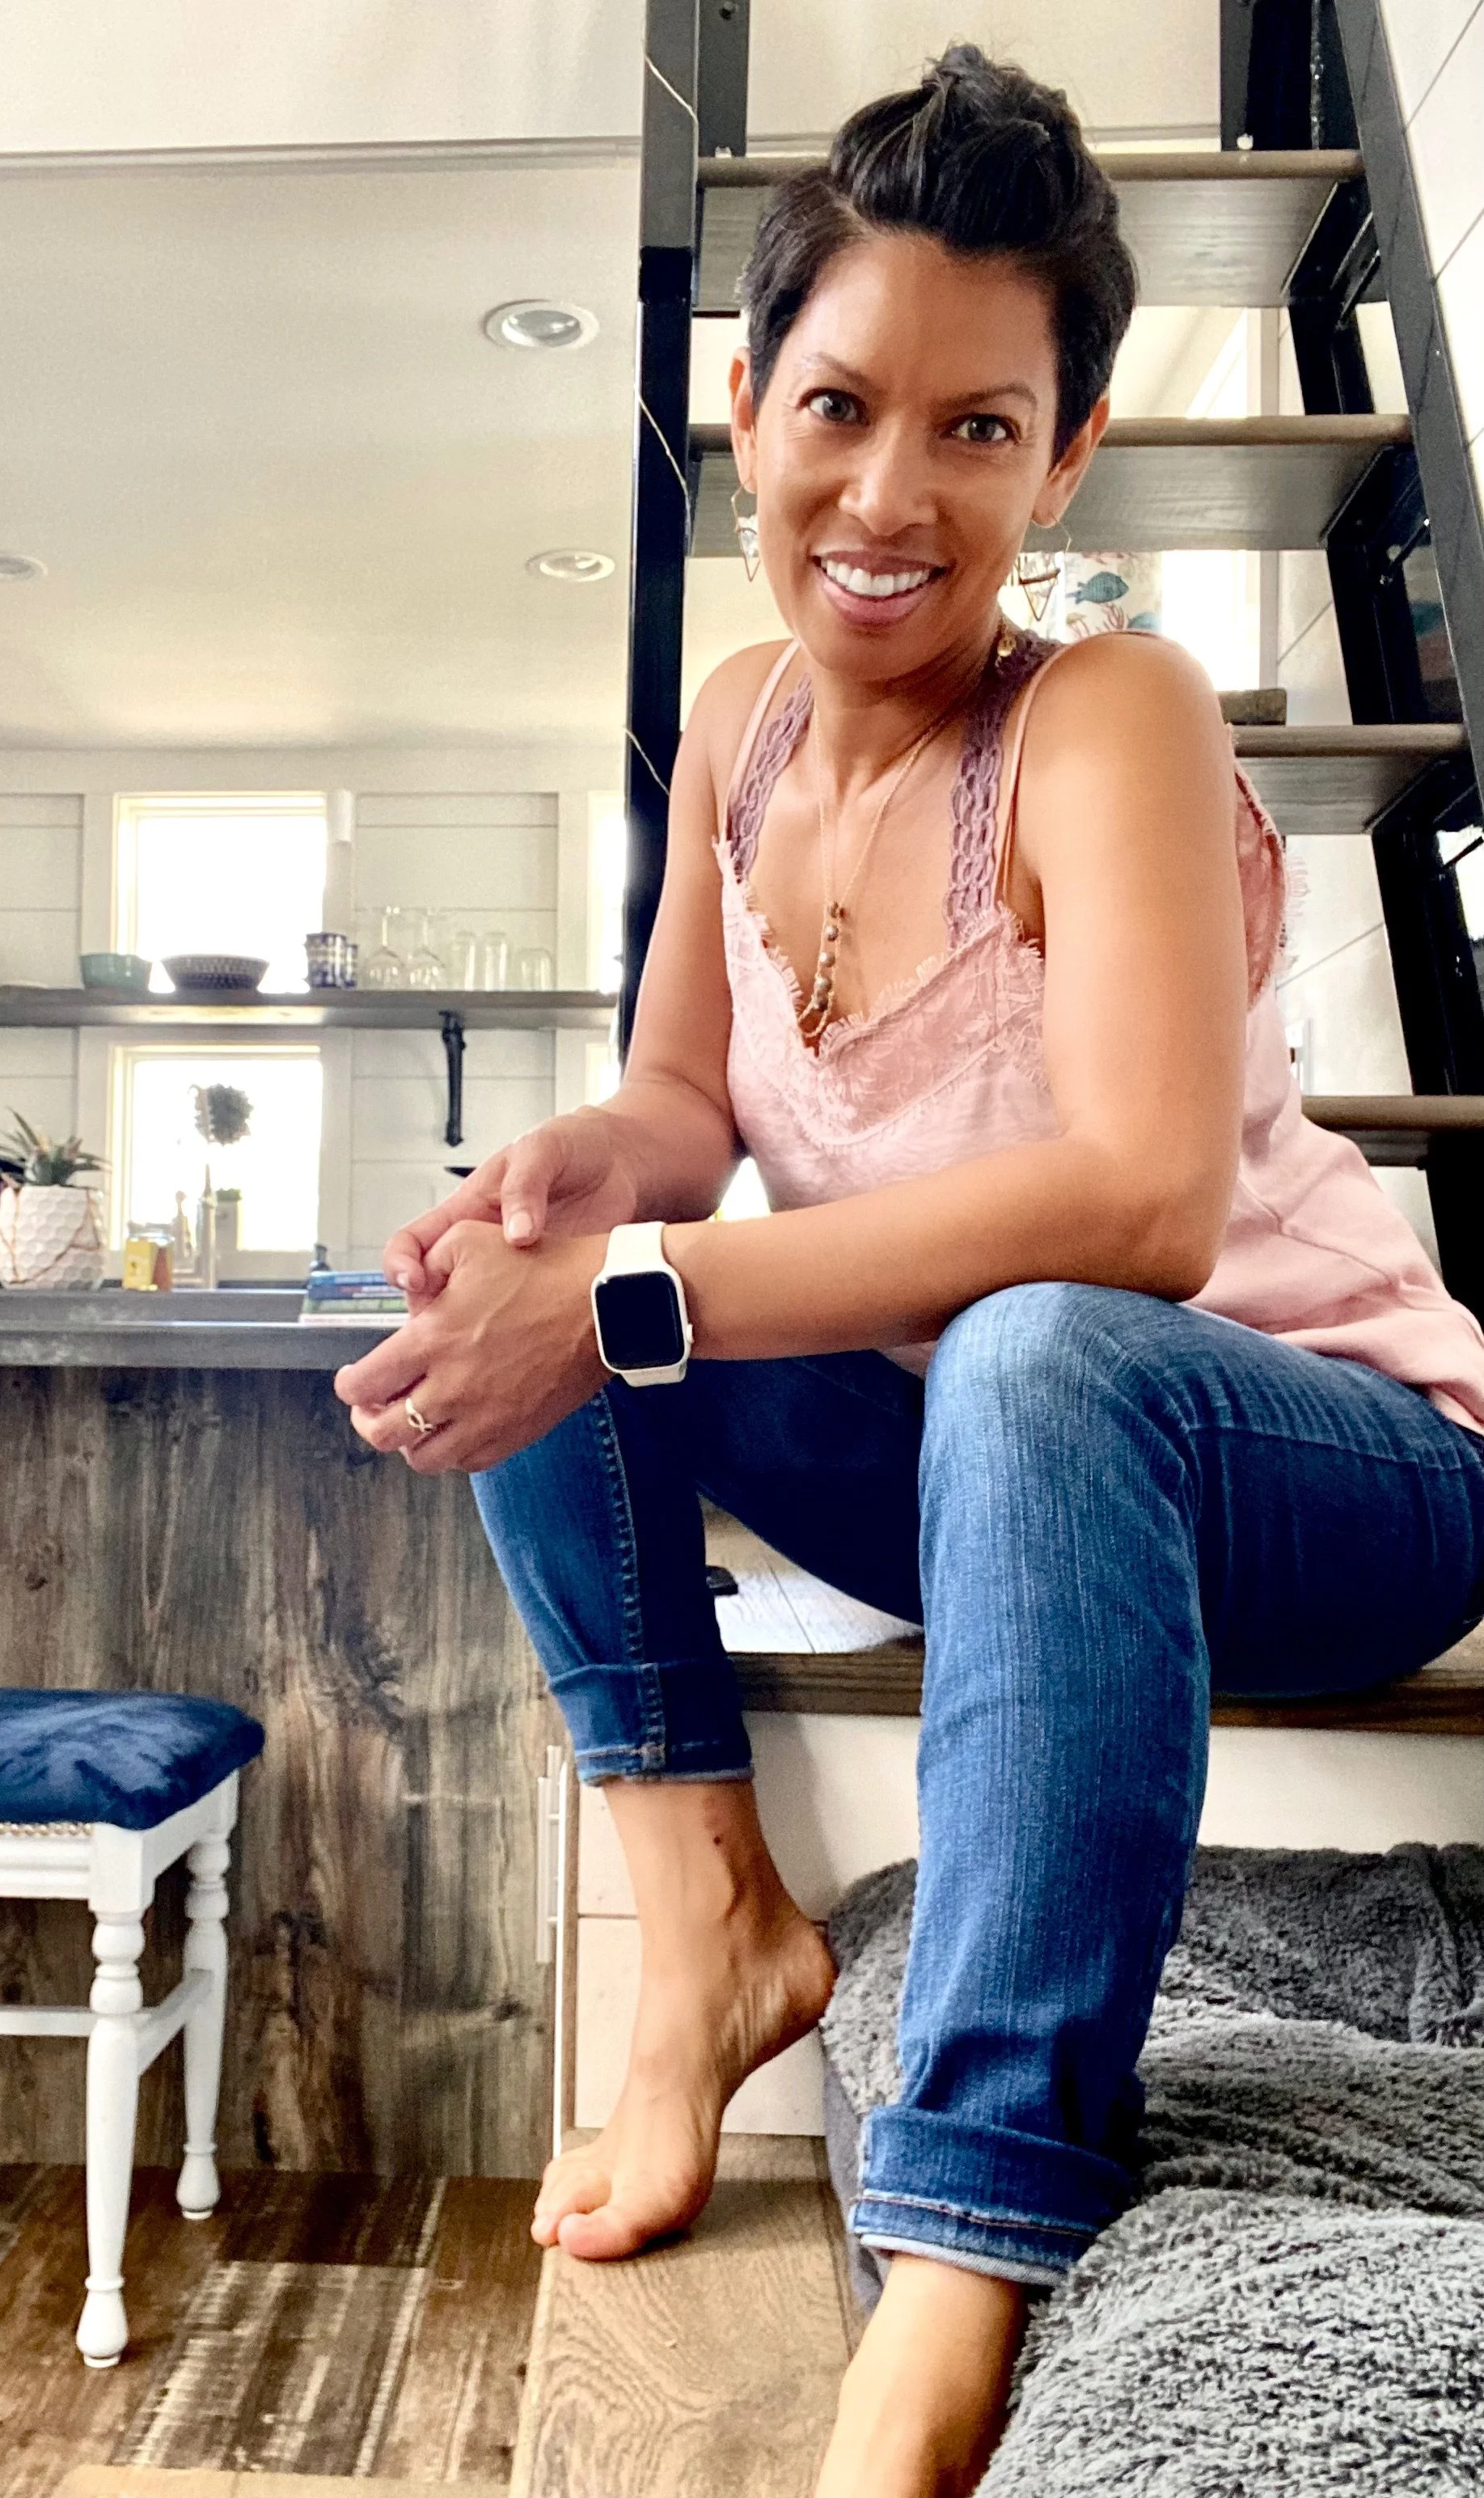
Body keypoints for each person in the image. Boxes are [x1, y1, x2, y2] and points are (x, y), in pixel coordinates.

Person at [335, 45, 1484, 2498]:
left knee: (1035, 1347)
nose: (887, 497)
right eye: (840, 407)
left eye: (978, 430)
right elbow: (684, 1100)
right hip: (989, 1469)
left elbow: (1141, 1208)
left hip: (1329, 1474)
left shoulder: (1107, 716)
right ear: (749, 406)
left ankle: (966, 2229)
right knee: (546, 1281)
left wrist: (640, 1288)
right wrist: (579, 1177)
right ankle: (714, 1938)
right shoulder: (732, 727)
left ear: (1065, 460)